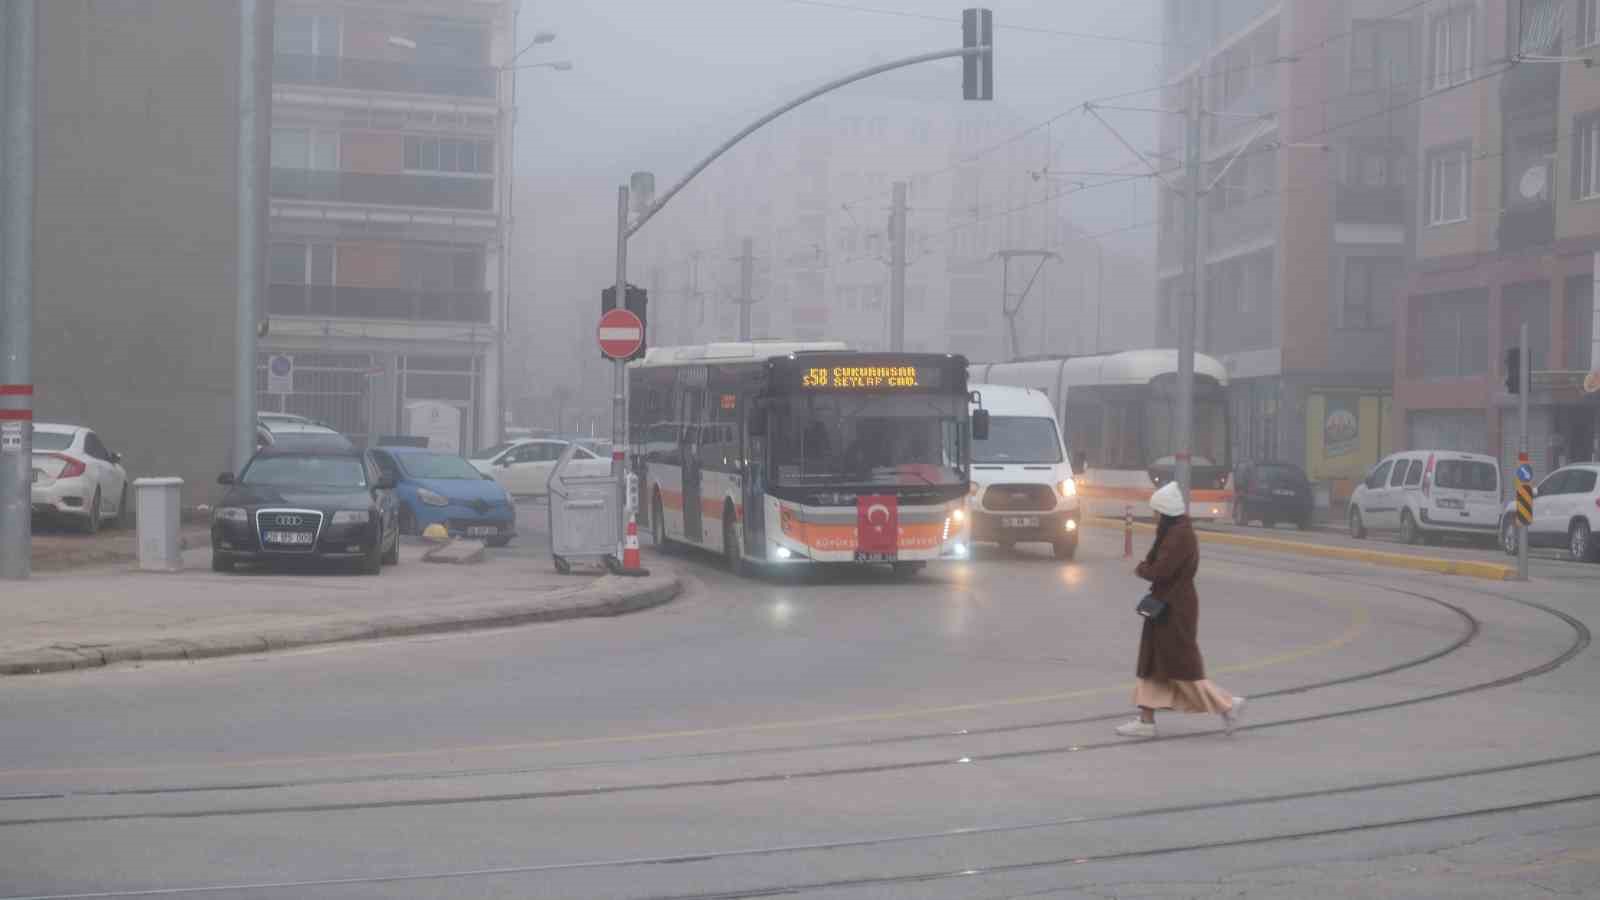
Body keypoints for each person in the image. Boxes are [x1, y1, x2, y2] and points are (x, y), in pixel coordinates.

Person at [1115, 481, 1246, 738]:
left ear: (1164, 512)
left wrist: (1142, 569)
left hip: (1174, 608)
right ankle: (1146, 720)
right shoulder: (1175, 531)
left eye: (1156, 512)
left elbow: (1160, 571)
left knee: (1181, 667)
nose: (1153, 516)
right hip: (1166, 605)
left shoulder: (1179, 535)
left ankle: (1228, 704)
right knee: (1154, 665)